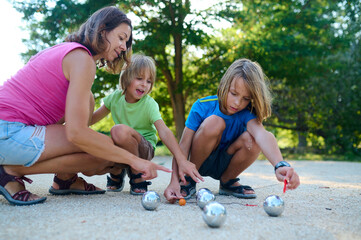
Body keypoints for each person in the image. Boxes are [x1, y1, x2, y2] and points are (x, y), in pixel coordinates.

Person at [0, 6, 171, 206]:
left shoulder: (65, 50)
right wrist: (135, 160)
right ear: (102, 30)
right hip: (8, 131)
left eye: (127, 41)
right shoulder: (82, 60)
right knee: (102, 153)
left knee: (88, 102)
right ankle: (10, 172)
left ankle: (65, 178)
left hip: (12, 128)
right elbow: (77, 134)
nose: (124, 47)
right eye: (121, 38)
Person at [164, 58, 300, 203]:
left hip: (226, 163)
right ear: (224, 85)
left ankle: (227, 182)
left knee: (252, 139)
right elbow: (183, 146)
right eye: (233, 93)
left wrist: (280, 165)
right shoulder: (202, 106)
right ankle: (188, 180)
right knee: (214, 122)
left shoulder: (247, 114)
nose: (237, 103)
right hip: (197, 163)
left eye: (246, 98)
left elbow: (263, 135)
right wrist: (174, 180)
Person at [91, 54, 202, 195]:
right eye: (139, 78)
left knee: (118, 131)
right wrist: (69, 123)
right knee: (106, 141)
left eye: (149, 81)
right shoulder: (115, 98)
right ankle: (117, 173)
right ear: (126, 77)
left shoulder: (149, 104)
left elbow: (164, 131)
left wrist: (181, 159)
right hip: (122, 147)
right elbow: (92, 119)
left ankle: (138, 176)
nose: (144, 84)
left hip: (144, 149)